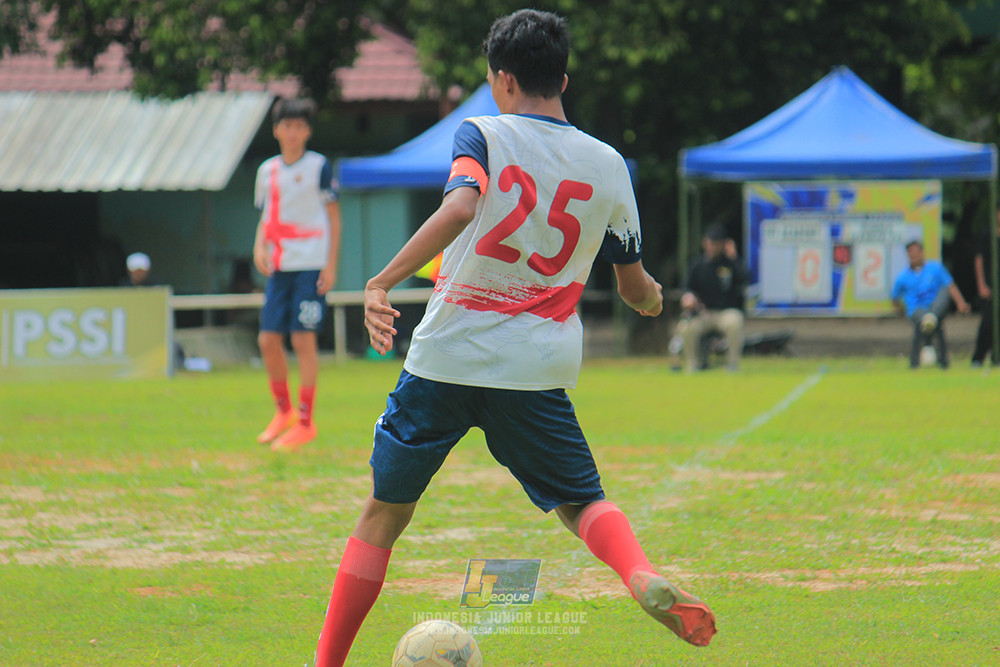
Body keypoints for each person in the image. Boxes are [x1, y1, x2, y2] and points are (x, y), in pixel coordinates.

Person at [313, 10, 716, 666]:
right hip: (535, 366)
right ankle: (638, 571)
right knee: (582, 502)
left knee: (383, 513)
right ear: (563, 77)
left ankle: (324, 662)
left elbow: (462, 205)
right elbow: (634, 285)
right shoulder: (609, 164)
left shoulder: (482, 132)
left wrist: (381, 280)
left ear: (501, 79)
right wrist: (655, 299)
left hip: (446, 355)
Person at [252, 98, 342, 452]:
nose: (293, 132)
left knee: (303, 339)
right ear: (276, 130)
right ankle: (283, 411)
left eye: (299, 126)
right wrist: (259, 246)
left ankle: (306, 421)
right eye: (286, 126)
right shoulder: (267, 171)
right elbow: (266, 215)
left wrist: (331, 264)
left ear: (307, 130)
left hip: (311, 263)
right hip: (280, 265)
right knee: (267, 340)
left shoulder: (319, 166)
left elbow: (334, 215)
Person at [673, 224, 747, 372]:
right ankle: (692, 365)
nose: (713, 247)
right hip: (703, 314)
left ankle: (732, 365)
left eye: (717, 243)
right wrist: (688, 299)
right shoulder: (697, 265)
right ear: (705, 243)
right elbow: (687, 289)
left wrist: (734, 257)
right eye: (710, 242)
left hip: (725, 313)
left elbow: (745, 278)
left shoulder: (730, 264)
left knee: (735, 321)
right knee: (686, 327)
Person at [891, 239, 970, 369]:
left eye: (917, 252)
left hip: (935, 308)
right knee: (927, 320)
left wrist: (961, 303)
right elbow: (895, 298)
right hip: (917, 311)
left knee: (942, 295)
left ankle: (931, 318)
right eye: (911, 253)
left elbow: (950, 286)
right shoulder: (903, 277)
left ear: (922, 252)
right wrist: (902, 310)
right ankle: (931, 360)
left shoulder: (935, 268)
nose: (915, 256)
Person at [971, 206, 1000, 367]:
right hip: (990, 286)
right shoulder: (987, 234)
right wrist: (982, 284)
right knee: (988, 322)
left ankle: (997, 358)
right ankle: (978, 357)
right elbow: (979, 260)